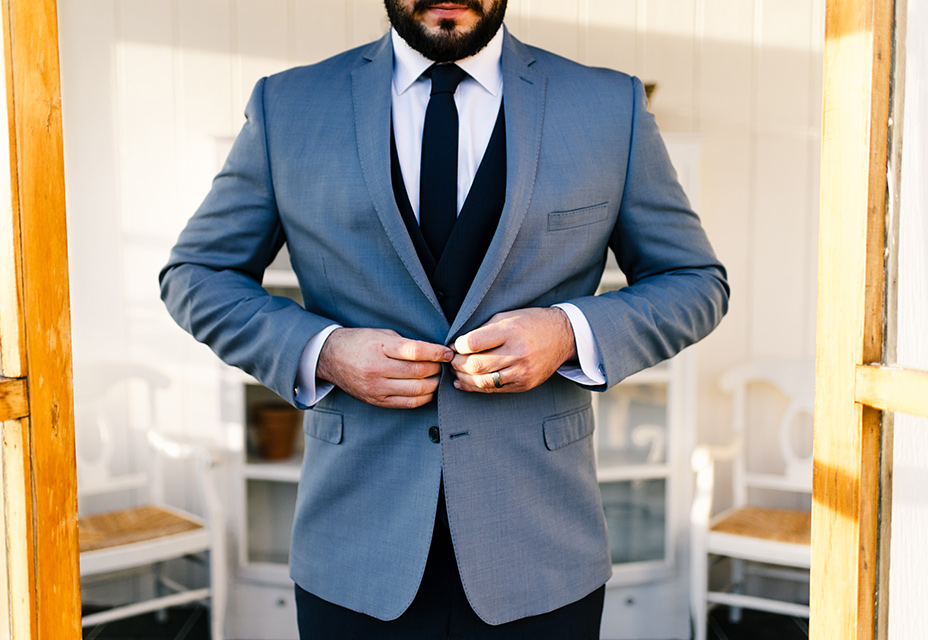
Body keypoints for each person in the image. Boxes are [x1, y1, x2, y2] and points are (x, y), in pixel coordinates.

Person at [160, 1, 729, 637]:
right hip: (354, 550)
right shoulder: (287, 105)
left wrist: (569, 331)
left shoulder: (609, 106)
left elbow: (694, 282)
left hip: (542, 550)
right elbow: (195, 275)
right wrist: (322, 350)